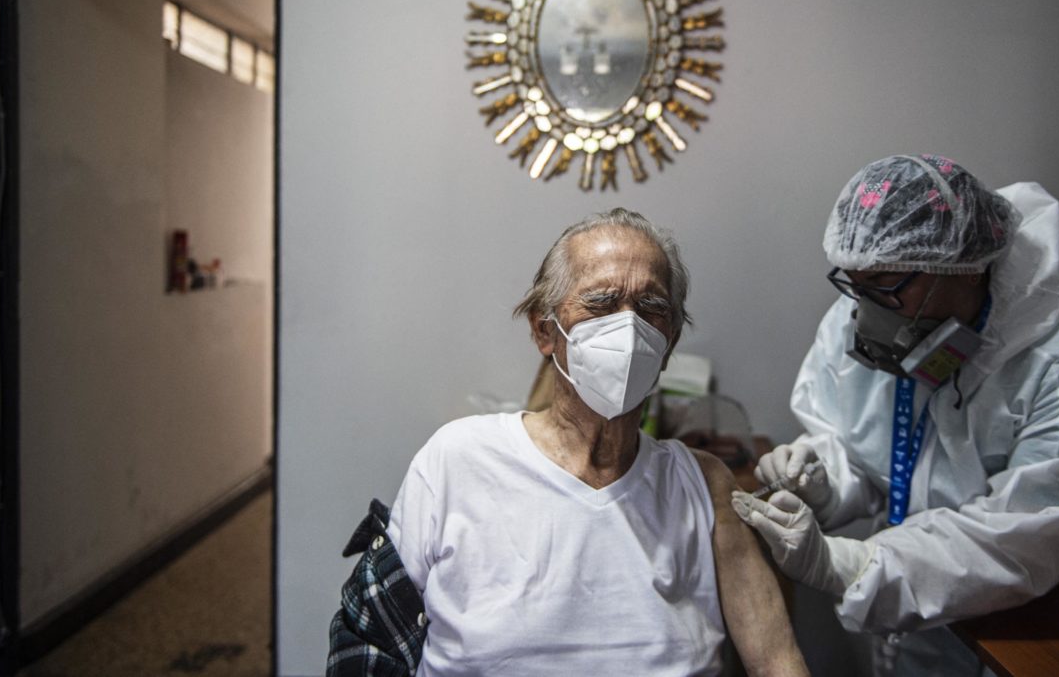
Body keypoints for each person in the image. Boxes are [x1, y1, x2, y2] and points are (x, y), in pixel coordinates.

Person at [732, 155, 1059, 676]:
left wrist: (851, 564)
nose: (865, 313)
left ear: (966, 269)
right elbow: (867, 451)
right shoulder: (857, 322)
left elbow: (1018, 539)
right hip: (931, 615)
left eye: (886, 284)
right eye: (855, 283)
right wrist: (823, 480)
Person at [329, 208, 809, 676]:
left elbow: (776, 662)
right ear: (545, 331)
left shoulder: (702, 483)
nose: (629, 327)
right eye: (600, 303)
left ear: (669, 344)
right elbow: (371, 638)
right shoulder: (457, 459)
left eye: (652, 307)